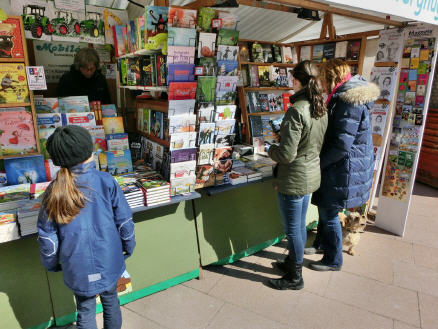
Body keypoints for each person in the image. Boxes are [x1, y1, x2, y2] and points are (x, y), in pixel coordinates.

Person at [37, 125, 135, 329]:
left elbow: (48, 239)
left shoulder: (52, 192)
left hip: (76, 265)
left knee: (85, 311)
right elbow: (125, 221)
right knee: (111, 303)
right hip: (110, 259)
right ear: (89, 154)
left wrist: (52, 264)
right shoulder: (106, 181)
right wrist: (129, 246)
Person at [308, 59, 379, 271]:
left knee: (329, 212)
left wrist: (318, 163)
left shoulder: (348, 100)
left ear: (331, 78)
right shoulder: (345, 95)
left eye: (322, 79)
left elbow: (341, 144)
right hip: (345, 166)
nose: (320, 83)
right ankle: (321, 244)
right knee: (325, 207)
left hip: (343, 168)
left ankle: (333, 259)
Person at [266, 60, 328, 290]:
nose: (291, 83)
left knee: (293, 228)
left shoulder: (296, 110)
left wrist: (269, 149)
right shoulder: (319, 106)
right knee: (299, 225)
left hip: (294, 177)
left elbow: (286, 154)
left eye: (293, 79)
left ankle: (295, 276)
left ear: (298, 81)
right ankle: (292, 263)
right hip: (310, 173)